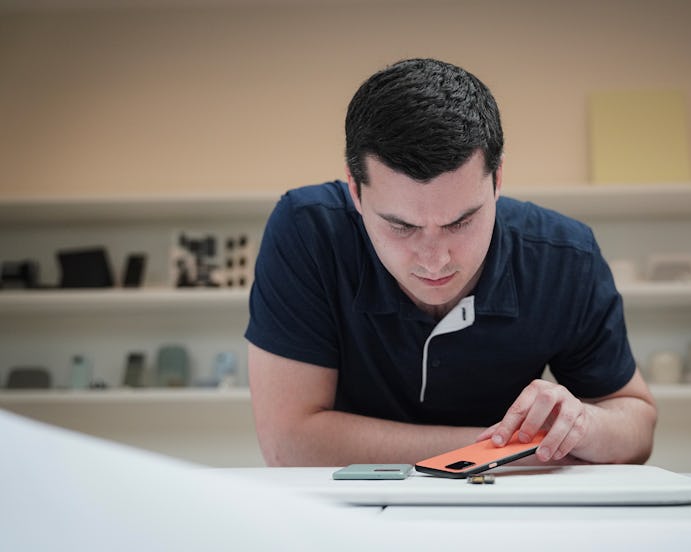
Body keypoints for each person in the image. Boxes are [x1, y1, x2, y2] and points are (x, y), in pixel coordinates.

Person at [246, 58, 657, 467]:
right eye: (400, 226)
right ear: (355, 192)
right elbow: (289, 445)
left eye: (461, 221)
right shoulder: (308, 230)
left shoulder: (565, 255)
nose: (435, 260)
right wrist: (513, 448)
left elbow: (636, 426)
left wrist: (582, 425)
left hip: (506, 508)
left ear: (497, 181)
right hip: (347, 510)